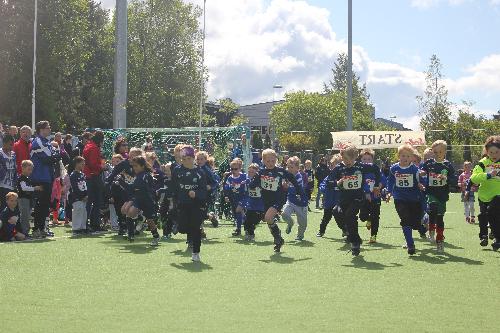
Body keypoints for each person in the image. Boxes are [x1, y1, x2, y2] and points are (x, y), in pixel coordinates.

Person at [328, 145, 381, 256]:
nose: (347, 161)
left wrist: (377, 185)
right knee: (336, 212)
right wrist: (337, 183)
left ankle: (355, 243)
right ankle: (348, 232)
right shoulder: (339, 168)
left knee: (349, 215)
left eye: (349, 159)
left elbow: (376, 169)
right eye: (344, 159)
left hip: (357, 198)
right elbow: (329, 181)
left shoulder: (361, 167)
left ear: (355, 157)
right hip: (344, 199)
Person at [249, 149, 304, 252]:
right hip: (266, 200)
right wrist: (255, 180)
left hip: (278, 199)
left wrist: (299, 192)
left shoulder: (280, 171)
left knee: (268, 217)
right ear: (263, 161)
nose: (270, 163)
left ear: (276, 160)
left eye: (273, 161)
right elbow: (252, 185)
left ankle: (277, 237)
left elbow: (292, 179)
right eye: (268, 161)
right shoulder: (261, 172)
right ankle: (278, 239)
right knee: (268, 220)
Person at [386, 145, 425, 255]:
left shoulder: (414, 169)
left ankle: (422, 226)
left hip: (414, 198)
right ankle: (410, 244)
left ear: (412, 158)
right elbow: (390, 181)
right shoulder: (394, 168)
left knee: (415, 224)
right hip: (400, 198)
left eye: (408, 156)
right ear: (399, 156)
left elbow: (421, 180)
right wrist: (389, 192)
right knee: (405, 219)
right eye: (403, 156)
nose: (405, 158)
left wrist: (421, 185)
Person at [172, 145, 208, 262]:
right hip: (182, 204)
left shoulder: (200, 172)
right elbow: (174, 187)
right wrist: (172, 201)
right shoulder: (177, 170)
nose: (187, 161)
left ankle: (196, 252)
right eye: (184, 159)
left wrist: (196, 194)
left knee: (195, 228)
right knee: (182, 228)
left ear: (193, 158)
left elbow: (203, 190)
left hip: (196, 205)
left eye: (189, 158)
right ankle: (178, 225)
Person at [420, 140, 456, 253]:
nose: (438, 154)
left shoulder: (448, 165)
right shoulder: (429, 163)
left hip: (442, 195)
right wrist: (421, 173)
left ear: (445, 151)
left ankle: (439, 239)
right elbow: (422, 171)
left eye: (440, 151)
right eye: (435, 152)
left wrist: (446, 178)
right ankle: (431, 229)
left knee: (440, 218)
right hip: (431, 192)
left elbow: (454, 181)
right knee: (433, 208)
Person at [30, 121, 60, 239]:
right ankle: (37, 229)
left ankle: (42, 228)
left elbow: (56, 156)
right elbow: (50, 158)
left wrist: (56, 155)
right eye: (48, 128)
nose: (50, 129)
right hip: (39, 177)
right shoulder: (38, 141)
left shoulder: (47, 142)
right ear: (41, 130)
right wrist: (56, 155)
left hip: (47, 177)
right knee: (40, 204)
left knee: (45, 204)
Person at [121, 156, 160, 245]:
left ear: (142, 166)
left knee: (150, 221)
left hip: (147, 200)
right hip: (138, 199)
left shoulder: (146, 175)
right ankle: (131, 234)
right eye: (133, 166)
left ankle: (156, 236)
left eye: (136, 166)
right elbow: (133, 188)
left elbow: (136, 187)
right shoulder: (137, 175)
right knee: (130, 212)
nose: (134, 168)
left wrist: (122, 183)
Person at [471, 135, 500, 250]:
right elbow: (474, 178)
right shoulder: (482, 163)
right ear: (487, 151)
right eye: (491, 152)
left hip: (498, 195)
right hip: (484, 196)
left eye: (496, 152)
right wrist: (487, 175)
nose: (494, 155)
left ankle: (497, 238)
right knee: (484, 216)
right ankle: (484, 235)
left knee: (493, 214)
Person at [358, 148, 385, 244]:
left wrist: (378, 187)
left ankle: (373, 236)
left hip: (375, 197)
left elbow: (383, 181)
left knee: (375, 217)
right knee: (362, 217)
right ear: (361, 160)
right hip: (364, 197)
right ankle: (368, 219)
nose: (366, 161)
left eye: (368, 159)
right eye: (364, 159)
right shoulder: (359, 171)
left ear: (372, 160)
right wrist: (366, 193)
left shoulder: (376, 170)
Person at [83, 131, 105, 233]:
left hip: (87, 175)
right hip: (93, 176)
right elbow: (93, 164)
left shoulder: (88, 145)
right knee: (96, 201)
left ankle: (85, 224)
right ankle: (95, 224)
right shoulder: (94, 148)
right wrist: (102, 167)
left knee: (89, 202)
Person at [316, 155, 344, 238]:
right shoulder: (328, 177)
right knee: (326, 218)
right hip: (328, 201)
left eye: (336, 165)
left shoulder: (343, 177)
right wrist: (325, 189)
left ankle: (345, 230)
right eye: (332, 165)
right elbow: (322, 186)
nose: (333, 167)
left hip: (338, 202)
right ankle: (321, 231)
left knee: (340, 217)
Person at [282, 156, 309, 241]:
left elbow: (296, 189)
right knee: (284, 214)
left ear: (297, 168)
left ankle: (300, 235)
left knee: (302, 223)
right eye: (288, 167)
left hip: (301, 202)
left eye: (291, 167)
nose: (289, 169)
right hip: (291, 200)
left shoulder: (298, 177)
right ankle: (290, 223)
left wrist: (286, 187)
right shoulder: (287, 175)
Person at [17, 160, 42, 236]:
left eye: (31, 170)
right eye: (29, 169)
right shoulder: (22, 178)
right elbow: (24, 188)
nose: (30, 171)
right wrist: (35, 188)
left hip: (28, 199)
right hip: (23, 199)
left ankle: (25, 232)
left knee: (27, 216)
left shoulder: (27, 178)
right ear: (23, 168)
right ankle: (24, 232)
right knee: (24, 216)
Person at [224, 159, 248, 236]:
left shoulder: (244, 176)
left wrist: (246, 183)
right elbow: (226, 187)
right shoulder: (230, 178)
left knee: (238, 210)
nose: (233, 170)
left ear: (240, 168)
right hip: (234, 198)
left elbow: (250, 182)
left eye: (236, 169)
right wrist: (227, 195)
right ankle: (247, 224)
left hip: (244, 197)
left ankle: (238, 229)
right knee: (237, 214)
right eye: (232, 169)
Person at [243, 163, 264, 240]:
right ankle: (249, 233)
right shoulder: (247, 180)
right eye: (249, 172)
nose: (250, 173)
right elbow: (246, 192)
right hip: (250, 204)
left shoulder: (261, 181)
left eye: (252, 172)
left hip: (260, 206)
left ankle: (250, 232)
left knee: (254, 221)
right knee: (246, 220)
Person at [70, 157, 88, 236]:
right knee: (77, 211)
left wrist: (86, 195)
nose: (83, 165)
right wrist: (80, 197)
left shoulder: (82, 174)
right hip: (76, 197)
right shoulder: (73, 175)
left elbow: (85, 186)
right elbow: (74, 187)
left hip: (84, 197)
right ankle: (76, 228)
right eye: (82, 164)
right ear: (77, 164)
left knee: (83, 212)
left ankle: (82, 227)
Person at [0, 134, 17, 210]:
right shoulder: (0, 154)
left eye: (13, 144)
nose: (12, 146)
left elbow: (14, 169)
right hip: (2, 185)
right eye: (10, 144)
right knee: (3, 207)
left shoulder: (13, 154)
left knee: (10, 208)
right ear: (4, 143)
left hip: (11, 185)